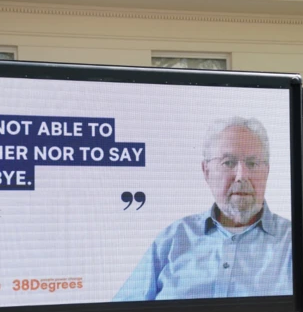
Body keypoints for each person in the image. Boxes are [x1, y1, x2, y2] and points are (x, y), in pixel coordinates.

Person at [112, 116, 292, 301]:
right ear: (206, 171)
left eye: (252, 164)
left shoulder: (294, 243)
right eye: (228, 163)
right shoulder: (174, 238)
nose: (241, 176)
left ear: (267, 172)